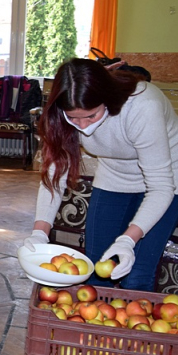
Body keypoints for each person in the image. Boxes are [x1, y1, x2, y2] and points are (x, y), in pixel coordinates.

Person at [23, 58, 178, 292]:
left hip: (167, 179)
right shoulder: (60, 117)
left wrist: (127, 240)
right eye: (73, 118)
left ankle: (129, 329)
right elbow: (55, 178)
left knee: (136, 276)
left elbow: (161, 187)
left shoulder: (143, 106)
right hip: (114, 176)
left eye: (91, 116)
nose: (82, 126)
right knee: (97, 267)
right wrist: (39, 233)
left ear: (107, 100)